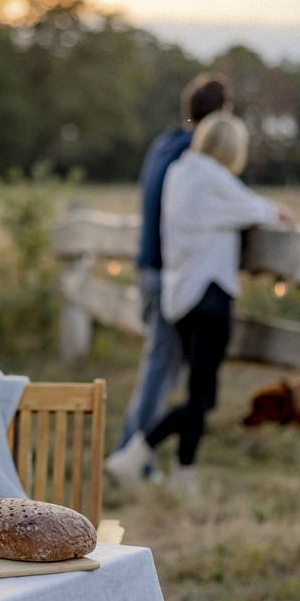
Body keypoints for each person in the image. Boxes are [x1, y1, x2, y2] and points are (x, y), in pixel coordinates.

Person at [104, 111, 292, 495]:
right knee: (202, 398)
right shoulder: (214, 178)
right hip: (210, 295)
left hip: (183, 296)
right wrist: (278, 212)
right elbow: (255, 208)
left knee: (199, 395)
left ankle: (166, 466)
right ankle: (149, 459)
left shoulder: (179, 172)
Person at [108, 74, 232, 481]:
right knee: (161, 368)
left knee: (161, 366)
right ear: (221, 115)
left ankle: (137, 453)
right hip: (170, 273)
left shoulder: (164, 143)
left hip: (149, 267)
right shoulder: (192, 155)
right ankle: (132, 457)